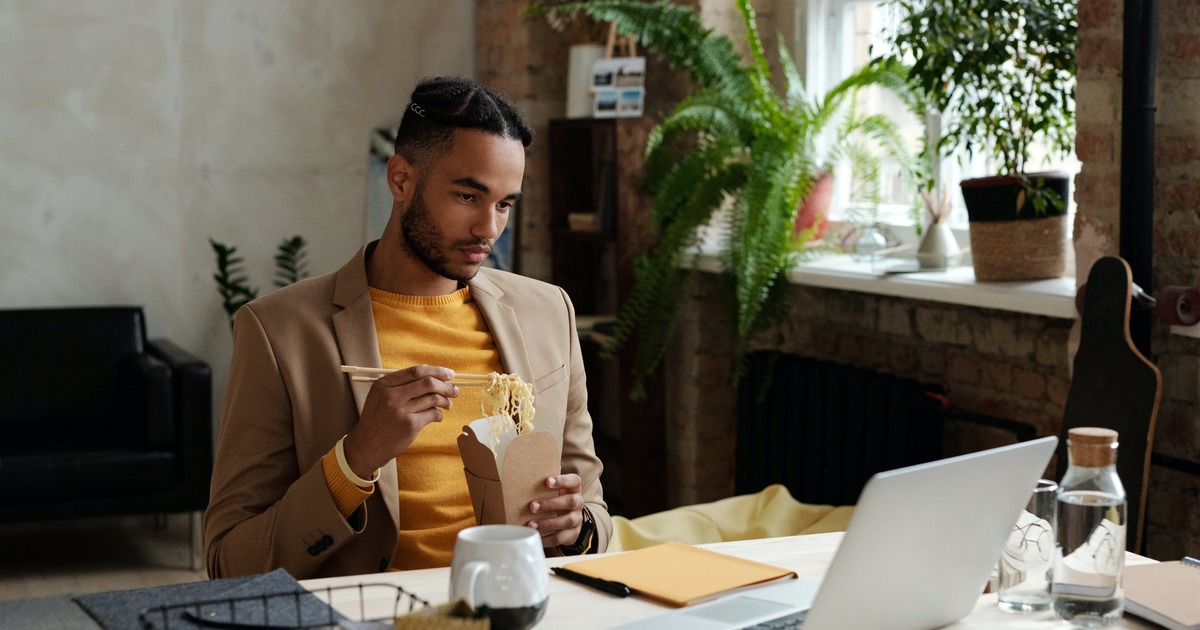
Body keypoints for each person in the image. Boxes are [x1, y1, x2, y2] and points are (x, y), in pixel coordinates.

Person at [204, 76, 610, 579]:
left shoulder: (549, 312)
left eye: (505, 204)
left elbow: (592, 509)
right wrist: (355, 458)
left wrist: (578, 528)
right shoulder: (279, 332)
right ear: (400, 180)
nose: (489, 229)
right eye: (468, 196)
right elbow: (228, 563)